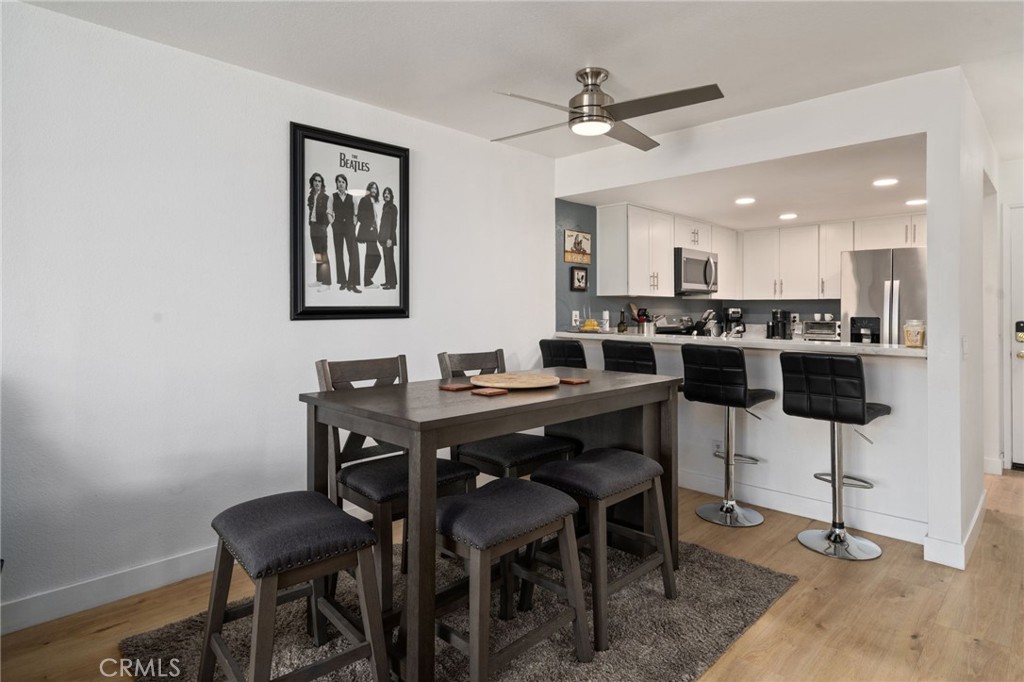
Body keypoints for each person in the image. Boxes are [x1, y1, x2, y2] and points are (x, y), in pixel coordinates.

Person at [329, 174, 359, 293]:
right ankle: (343, 281)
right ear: (336, 184)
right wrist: (333, 224)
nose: (341, 184)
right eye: (339, 182)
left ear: (346, 184)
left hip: (349, 228)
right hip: (337, 228)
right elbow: (329, 212)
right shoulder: (332, 197)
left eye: (343, 182)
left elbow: (356, 213)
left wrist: (353, 224)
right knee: (339, 254)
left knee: (354, 254)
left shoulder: (352, 197)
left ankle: (353, 283)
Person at [306, 172, 331, 290]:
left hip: (321, 227)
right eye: (315, 181)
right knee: (317, 255)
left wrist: (324, 226)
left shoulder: (326, 198)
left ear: (322, 183)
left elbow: (331, 215)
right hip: (313, 227)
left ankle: (327, 283)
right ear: (312, 182)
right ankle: (319, 279)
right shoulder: (310, 197)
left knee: (323, 254)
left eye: (319, 181)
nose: (317, 183)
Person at [356, 181, 382, 288]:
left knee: (371, 256)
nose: (374, 190)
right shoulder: (364, 200)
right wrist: (370, 227)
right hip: (368, 233)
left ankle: (367, 281)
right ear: (368, 189)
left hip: (373, 233)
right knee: (376, 256)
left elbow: (374, 219)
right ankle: (367, 281)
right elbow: (360, 217)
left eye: (375, 188)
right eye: (372, 188)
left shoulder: (373, 202)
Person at [378, 187, 398, 290]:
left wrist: (390, 238)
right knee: (387, 260)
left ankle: (391, 284)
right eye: (385, 193)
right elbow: (383, 224)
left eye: (388, 193)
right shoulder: (385, 206)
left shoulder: (392, 207)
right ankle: (390, 281)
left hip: (388, 239)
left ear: (391, 195)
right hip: (383, 238)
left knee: (389, 260)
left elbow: (393, 224)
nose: (386, 195)